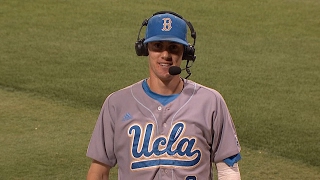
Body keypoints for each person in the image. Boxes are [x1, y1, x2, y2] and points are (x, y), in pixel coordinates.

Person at [86, 11, 241, 180]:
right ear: (145, 49)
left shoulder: (210, 102)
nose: (166, 55)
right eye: (158, 46)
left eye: (173, 47)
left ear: (185, 52)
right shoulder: (117, 104)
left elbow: (228, 169)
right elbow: (99, 170)